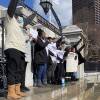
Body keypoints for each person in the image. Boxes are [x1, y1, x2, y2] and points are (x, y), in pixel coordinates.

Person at [4, 0, 27, 99]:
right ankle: (10, 92)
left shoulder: (19, 25)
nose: (20, 17)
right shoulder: (9, 18)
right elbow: (11, 7)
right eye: (19, 15)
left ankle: (17, 91)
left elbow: (27, 21)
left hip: (20, 49)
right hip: (12, 47)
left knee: (19, 71)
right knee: (12, 70)